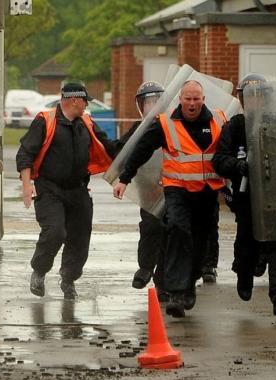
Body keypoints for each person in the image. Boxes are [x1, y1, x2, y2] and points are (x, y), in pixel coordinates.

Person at [114, 79, 227, 317]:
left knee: (199, 243)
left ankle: (187, 287)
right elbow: (141, 150)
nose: (192, 103)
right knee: (177, 230)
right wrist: (124, 178)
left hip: (207, 193)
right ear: (180, 100)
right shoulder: (165, 124)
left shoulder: (218, 120)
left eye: (196, 99)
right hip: (177, 191)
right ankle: (175, 293)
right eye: (188, 99)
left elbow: (232, 150)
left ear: (203, 100)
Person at [213, 74, 276, 316]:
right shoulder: (235, 126)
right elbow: (219, 160)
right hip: (247, 199)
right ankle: (244, 274)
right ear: (242, 100)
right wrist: (236, 166)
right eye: (250, 98)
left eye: (260, 98)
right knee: (247, 244)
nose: (255, 103)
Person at [17, 82, 112, 301]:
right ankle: (39, 272)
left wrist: (136, 138)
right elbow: (25, 154)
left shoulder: (86, 122)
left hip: (78, 190)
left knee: (79, 238)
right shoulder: (45, 120)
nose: (87, 106)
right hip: (49, 189)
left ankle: (68, 279)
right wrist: (26, 186)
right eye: (85, 101)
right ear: (74, 100)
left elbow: (109, 146)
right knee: (55, 232)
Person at [108, 81, 167, 289]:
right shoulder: (137, 129)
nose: (152, 106)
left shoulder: (172, 125)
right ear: (141, 106)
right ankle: (145, 268)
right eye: (148, 102)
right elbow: (120, 152)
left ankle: (165, 280)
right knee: (150, 227)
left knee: (172, 232)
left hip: (173, 187)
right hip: (148, 190)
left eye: (156, 101)